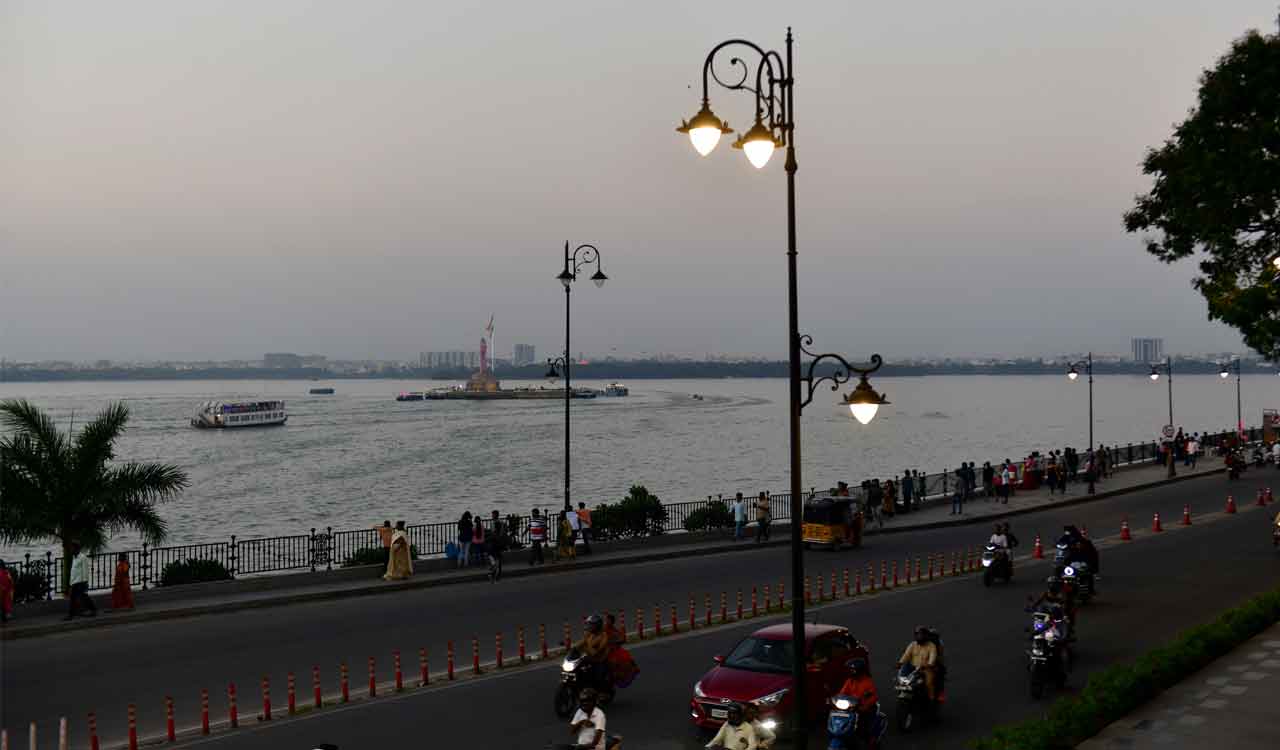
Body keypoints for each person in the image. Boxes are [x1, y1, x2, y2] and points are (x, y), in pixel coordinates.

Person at [834, 657, 879, 743]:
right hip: (851, 707)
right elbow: (842, 693)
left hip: (863, 708)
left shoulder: (868, 682)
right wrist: (836, 699)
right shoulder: (849, 681)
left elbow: (872, 697)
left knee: (865, 727)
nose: (850, 671)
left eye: (852, 669)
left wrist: (863, 706)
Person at [898, 626, 938, 701]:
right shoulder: (913, 644)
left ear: (925, 636)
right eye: (917, 635)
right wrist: (900, 663)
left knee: (929, 683)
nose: (919, 637)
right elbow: (906, 655)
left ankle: (931, 699)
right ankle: (903, 691)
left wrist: (929, 664)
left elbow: (932, 657)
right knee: (902, 678)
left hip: (925, 668)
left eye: (921, 635)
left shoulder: (931, 646)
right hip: (913, 667)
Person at [574, 614, 613, 691]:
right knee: (575, 668)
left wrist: (586, 647)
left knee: (595, 677)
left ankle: (598, 691)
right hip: (588, 658)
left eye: (591, 625)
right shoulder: (589, 634)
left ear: (597, 626)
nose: (589, 626)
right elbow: (581, 643)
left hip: (599, 661)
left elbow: (596, 652)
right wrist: (573, 648)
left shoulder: (604, 636)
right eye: (589, 624)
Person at [604, 613, 639, 687]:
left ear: (611, 621)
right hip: (604, 649)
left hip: (612, 650)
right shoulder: (603, 629)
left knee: (623, 657)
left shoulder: (614, 631)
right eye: (606, 620)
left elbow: (622, 639)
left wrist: (614, 642)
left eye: (608, 620)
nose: (606, 621)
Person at [65, 542, 96, 620]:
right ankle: (71, 614)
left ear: (76, 549)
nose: (71, 550)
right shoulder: (74, 558)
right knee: (74, 597)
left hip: (81, 582)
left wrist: (85, 582)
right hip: (75, 582)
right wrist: (71, 583)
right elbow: (74, 571)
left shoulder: (83, 557)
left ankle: (92, 609)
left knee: (83, 597)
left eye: (72, 548)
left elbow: (85, 570)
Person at [487, 510, 506, 582]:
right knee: (498, 558)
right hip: (499, 542)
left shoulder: (495, 522)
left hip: (495, 542)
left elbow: (494, 533)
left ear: (495, 515)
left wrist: (489, 538)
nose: (492, 516)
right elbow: (501, 532)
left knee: (492, 556)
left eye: (493, 515)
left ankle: (494, 573)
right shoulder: (501, 522)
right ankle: (497, 574)